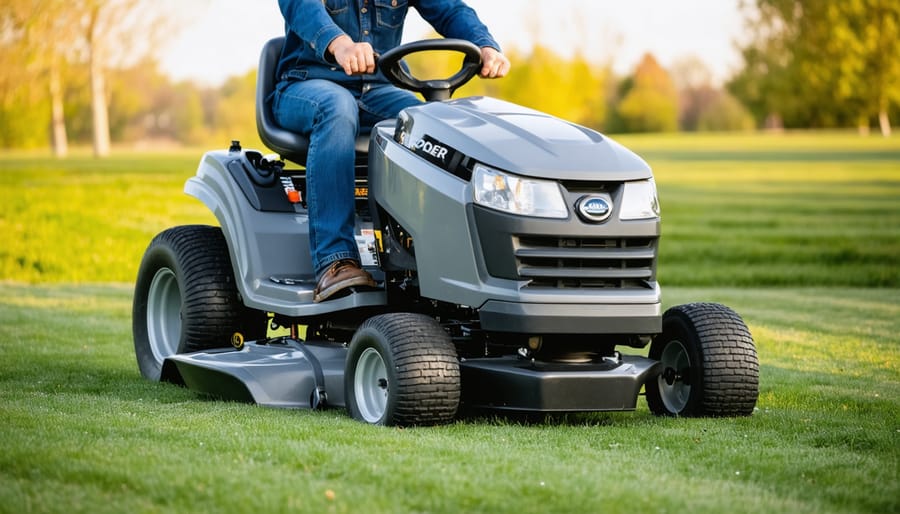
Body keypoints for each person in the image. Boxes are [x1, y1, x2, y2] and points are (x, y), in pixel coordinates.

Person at [273, 0, 510, 302]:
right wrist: (341, 45)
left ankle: (434, 256)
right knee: (337, 109)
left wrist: (484, 45)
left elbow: (451, 10)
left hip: (377, 89)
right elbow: (302, 7)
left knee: (432, 124)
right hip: (307, 84)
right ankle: (335, 260)